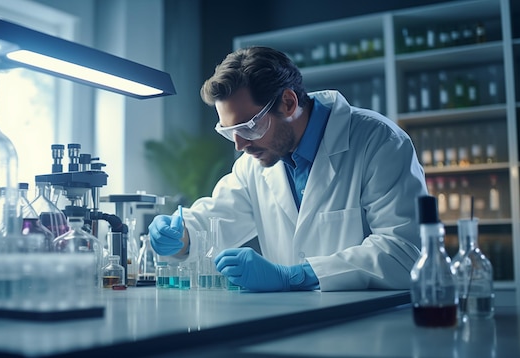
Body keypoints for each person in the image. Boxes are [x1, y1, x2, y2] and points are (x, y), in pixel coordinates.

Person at [148, 46, 427, 292]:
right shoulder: (253, 164)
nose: (239, 144)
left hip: (370, 329)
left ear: (289, 103)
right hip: (290, 324)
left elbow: (404, 253)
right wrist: (180, 236)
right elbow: (216, 219)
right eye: (229, 131)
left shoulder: (378, 141)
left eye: (248, 127)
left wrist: (296, 276)